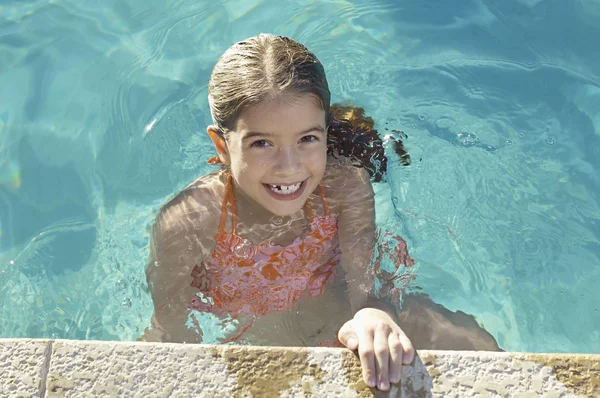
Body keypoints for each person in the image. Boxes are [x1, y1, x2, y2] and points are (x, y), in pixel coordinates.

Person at [140, 34, 500, 392]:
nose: (289, 167)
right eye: (261, 143)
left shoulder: (345, 188)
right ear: (221, 145)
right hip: (258, 343)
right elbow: (171, 330)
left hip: (337, 317)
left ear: (326, 134)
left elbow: (366, 288)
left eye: (307, 139)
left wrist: (374, 314)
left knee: (475, 349)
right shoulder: (189, 223)